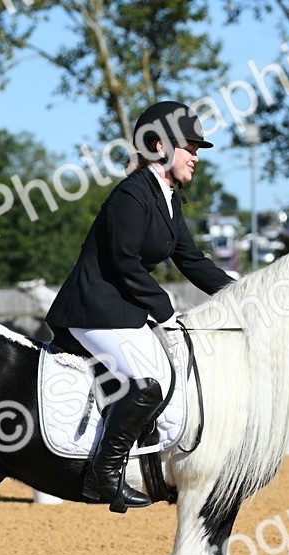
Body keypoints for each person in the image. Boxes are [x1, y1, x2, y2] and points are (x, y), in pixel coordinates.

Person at [45, 101, 235, 513]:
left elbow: (193, 261)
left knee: (168, 372)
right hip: (93, 309)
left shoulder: (168, 200)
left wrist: (242, 295)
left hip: (121, 309)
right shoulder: (131, 194)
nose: (196, 157)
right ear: (159, 146)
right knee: (147, 381)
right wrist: (164, 310)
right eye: (189, 148)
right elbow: (124, 262)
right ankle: (104, 472)